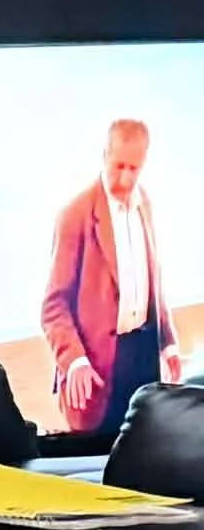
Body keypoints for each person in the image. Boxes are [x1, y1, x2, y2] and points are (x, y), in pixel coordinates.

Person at [44, 120, 181, 440]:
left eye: (135, 168)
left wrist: (168, 343)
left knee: (146, 452)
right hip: (96, 369)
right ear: (104, 155)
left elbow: (153, 280)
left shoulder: (146, 204)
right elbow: (54, 306)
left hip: (143, 358)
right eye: (119, 166)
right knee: (99, 456)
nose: (127, 178)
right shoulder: (74, 215)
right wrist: (74, 361)